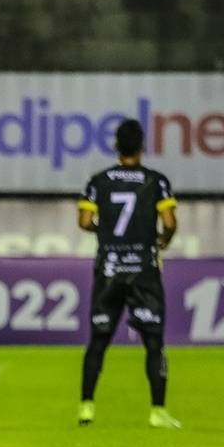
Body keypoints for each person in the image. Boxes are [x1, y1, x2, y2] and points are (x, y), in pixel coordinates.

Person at [76, 119, 181, 429]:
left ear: (116, 147)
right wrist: (163, 240)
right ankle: (157, 411)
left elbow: (84, 221)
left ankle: (86, 407)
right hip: (143, 271)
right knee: (153, 342)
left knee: (98, 340)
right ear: (142, 147)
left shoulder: (99, 181)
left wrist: (105, 231)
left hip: (109, 268)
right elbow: (170, 221)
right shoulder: (156, 181)